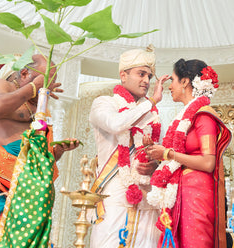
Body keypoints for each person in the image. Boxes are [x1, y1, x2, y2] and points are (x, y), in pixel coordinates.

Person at [0, 54, 79, 248]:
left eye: (51, 82)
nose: (48, 86)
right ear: (24, 73)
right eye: (46, 80)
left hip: (22, 194)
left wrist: (56, 152)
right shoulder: (4, 86)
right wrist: (32, 89)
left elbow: (33, 162)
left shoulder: (39, 107)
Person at [144, 59, 231, 248]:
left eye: (173, 80)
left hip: (198, 193)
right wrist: (159, 154)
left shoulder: (203, 115)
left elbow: (208, 163)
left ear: (185, 82)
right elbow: (178, 157)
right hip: (184, 189)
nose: (170, 87)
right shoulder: (184, 117)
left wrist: (167, 153)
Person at [89, 45, 168, 248]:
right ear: (123, 75)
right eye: (141, 74)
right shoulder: (103, 103)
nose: (146, 81)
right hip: (114, 195)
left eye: (149, 76)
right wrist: (150, 102)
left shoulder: (154, 117)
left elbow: (163, 155)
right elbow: (117, 124)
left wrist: (155, 165)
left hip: (147, 198)